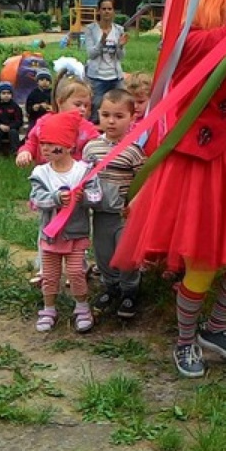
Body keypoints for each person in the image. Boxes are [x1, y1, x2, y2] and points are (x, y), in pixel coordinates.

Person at [111, 0, 226, 378]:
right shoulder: (191, 42)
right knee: (202, 261)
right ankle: (185, 341)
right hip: (193, 165)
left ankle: (215, 329)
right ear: (215, 4)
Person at [29, 111, 103, 333]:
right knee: (50, 275)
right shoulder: (41, 173)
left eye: (51, 144)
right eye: (42, 143)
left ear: (68, 146)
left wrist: (85, 199)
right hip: (50, 236)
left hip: (76, 234)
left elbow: (98, 197)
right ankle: (48, 309)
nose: (45, 148)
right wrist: (54, 198)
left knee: (75, 272)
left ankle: (82, 307)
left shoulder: (84, 172)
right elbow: (35, 199)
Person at [83, 89, 147, 320]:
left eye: (119, 116)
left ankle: (130, 290)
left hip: (124, 215)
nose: (111, 121)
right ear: (98, 114)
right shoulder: (91, 148)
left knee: (126, 253)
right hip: (100, 214)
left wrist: (135, 205)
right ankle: (110, 287)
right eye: (106, 114)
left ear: (132, 118)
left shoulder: (134, 151)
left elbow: (145, 181)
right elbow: (84, 177)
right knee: (103, 252)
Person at [16, 69, 98, 167]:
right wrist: (25, 152)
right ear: (60, 102)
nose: (83, 109)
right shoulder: (45, 122)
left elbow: (97, 146)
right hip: (46, 174)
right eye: (78, 104)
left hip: (76, 177)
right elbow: (32, 141)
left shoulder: (87, 128)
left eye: (86, 105)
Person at [85, 0, 128, 122]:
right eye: (103, 9)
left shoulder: (119, 30)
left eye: (109, 9)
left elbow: (121, 57)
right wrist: (101, 42)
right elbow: (91, 54)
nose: (106, 12)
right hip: (97, 77)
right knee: (96, 108)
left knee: (119, 106)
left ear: (114, 11)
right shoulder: (91, 29)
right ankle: (94, 136)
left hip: (115, 76)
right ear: (98, 11)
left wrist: (120, 46)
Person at [0, 81, 23, 154]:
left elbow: (19, 121)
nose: (6, 95)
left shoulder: (15, 106)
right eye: (3, 93)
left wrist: (10, 126)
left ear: (11, 95)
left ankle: (15, 152)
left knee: (13, 132)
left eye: (8, 93)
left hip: (11, 129)